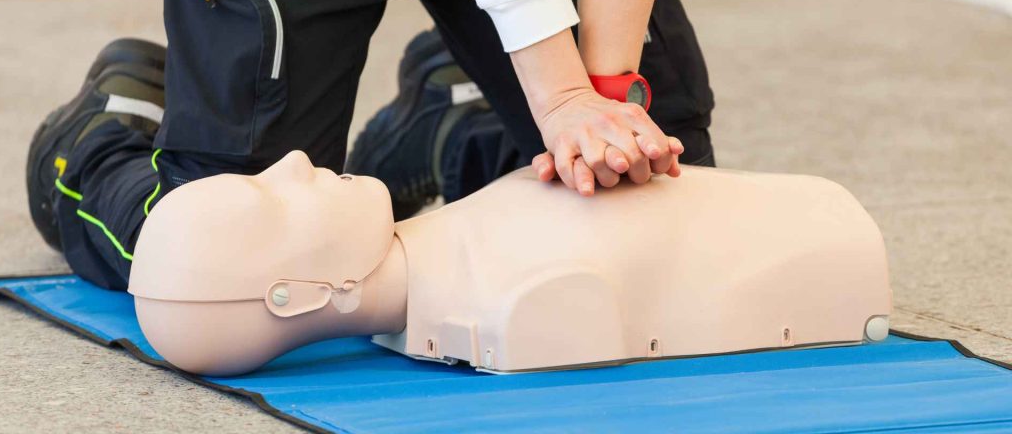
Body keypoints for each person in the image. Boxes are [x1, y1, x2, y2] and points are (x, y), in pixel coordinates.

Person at [26, 0, 715, 290]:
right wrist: (559, 96)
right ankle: (97, 141)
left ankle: (450, 117)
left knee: (655, 207)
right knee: (228, 257)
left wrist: (603, 96)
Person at [129, 150, 892, 376]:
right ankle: (98, 143)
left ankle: (445, 108)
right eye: (271, 201)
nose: (294, 161)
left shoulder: (465, 250)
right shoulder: (516, 295)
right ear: (294, 297)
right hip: (826, 240)